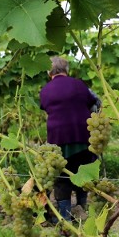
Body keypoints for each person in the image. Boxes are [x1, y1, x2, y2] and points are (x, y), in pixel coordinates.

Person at [39, 57, 99, 221]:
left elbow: (45, 108)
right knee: (83, 173)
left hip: (58, 140)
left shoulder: (45, 90)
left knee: (61, 177)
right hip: (83, 137)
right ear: (67, 69)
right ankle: (82, 211)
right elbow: (93, 102)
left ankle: (65, 217)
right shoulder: (79, 85)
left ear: (49, 71)